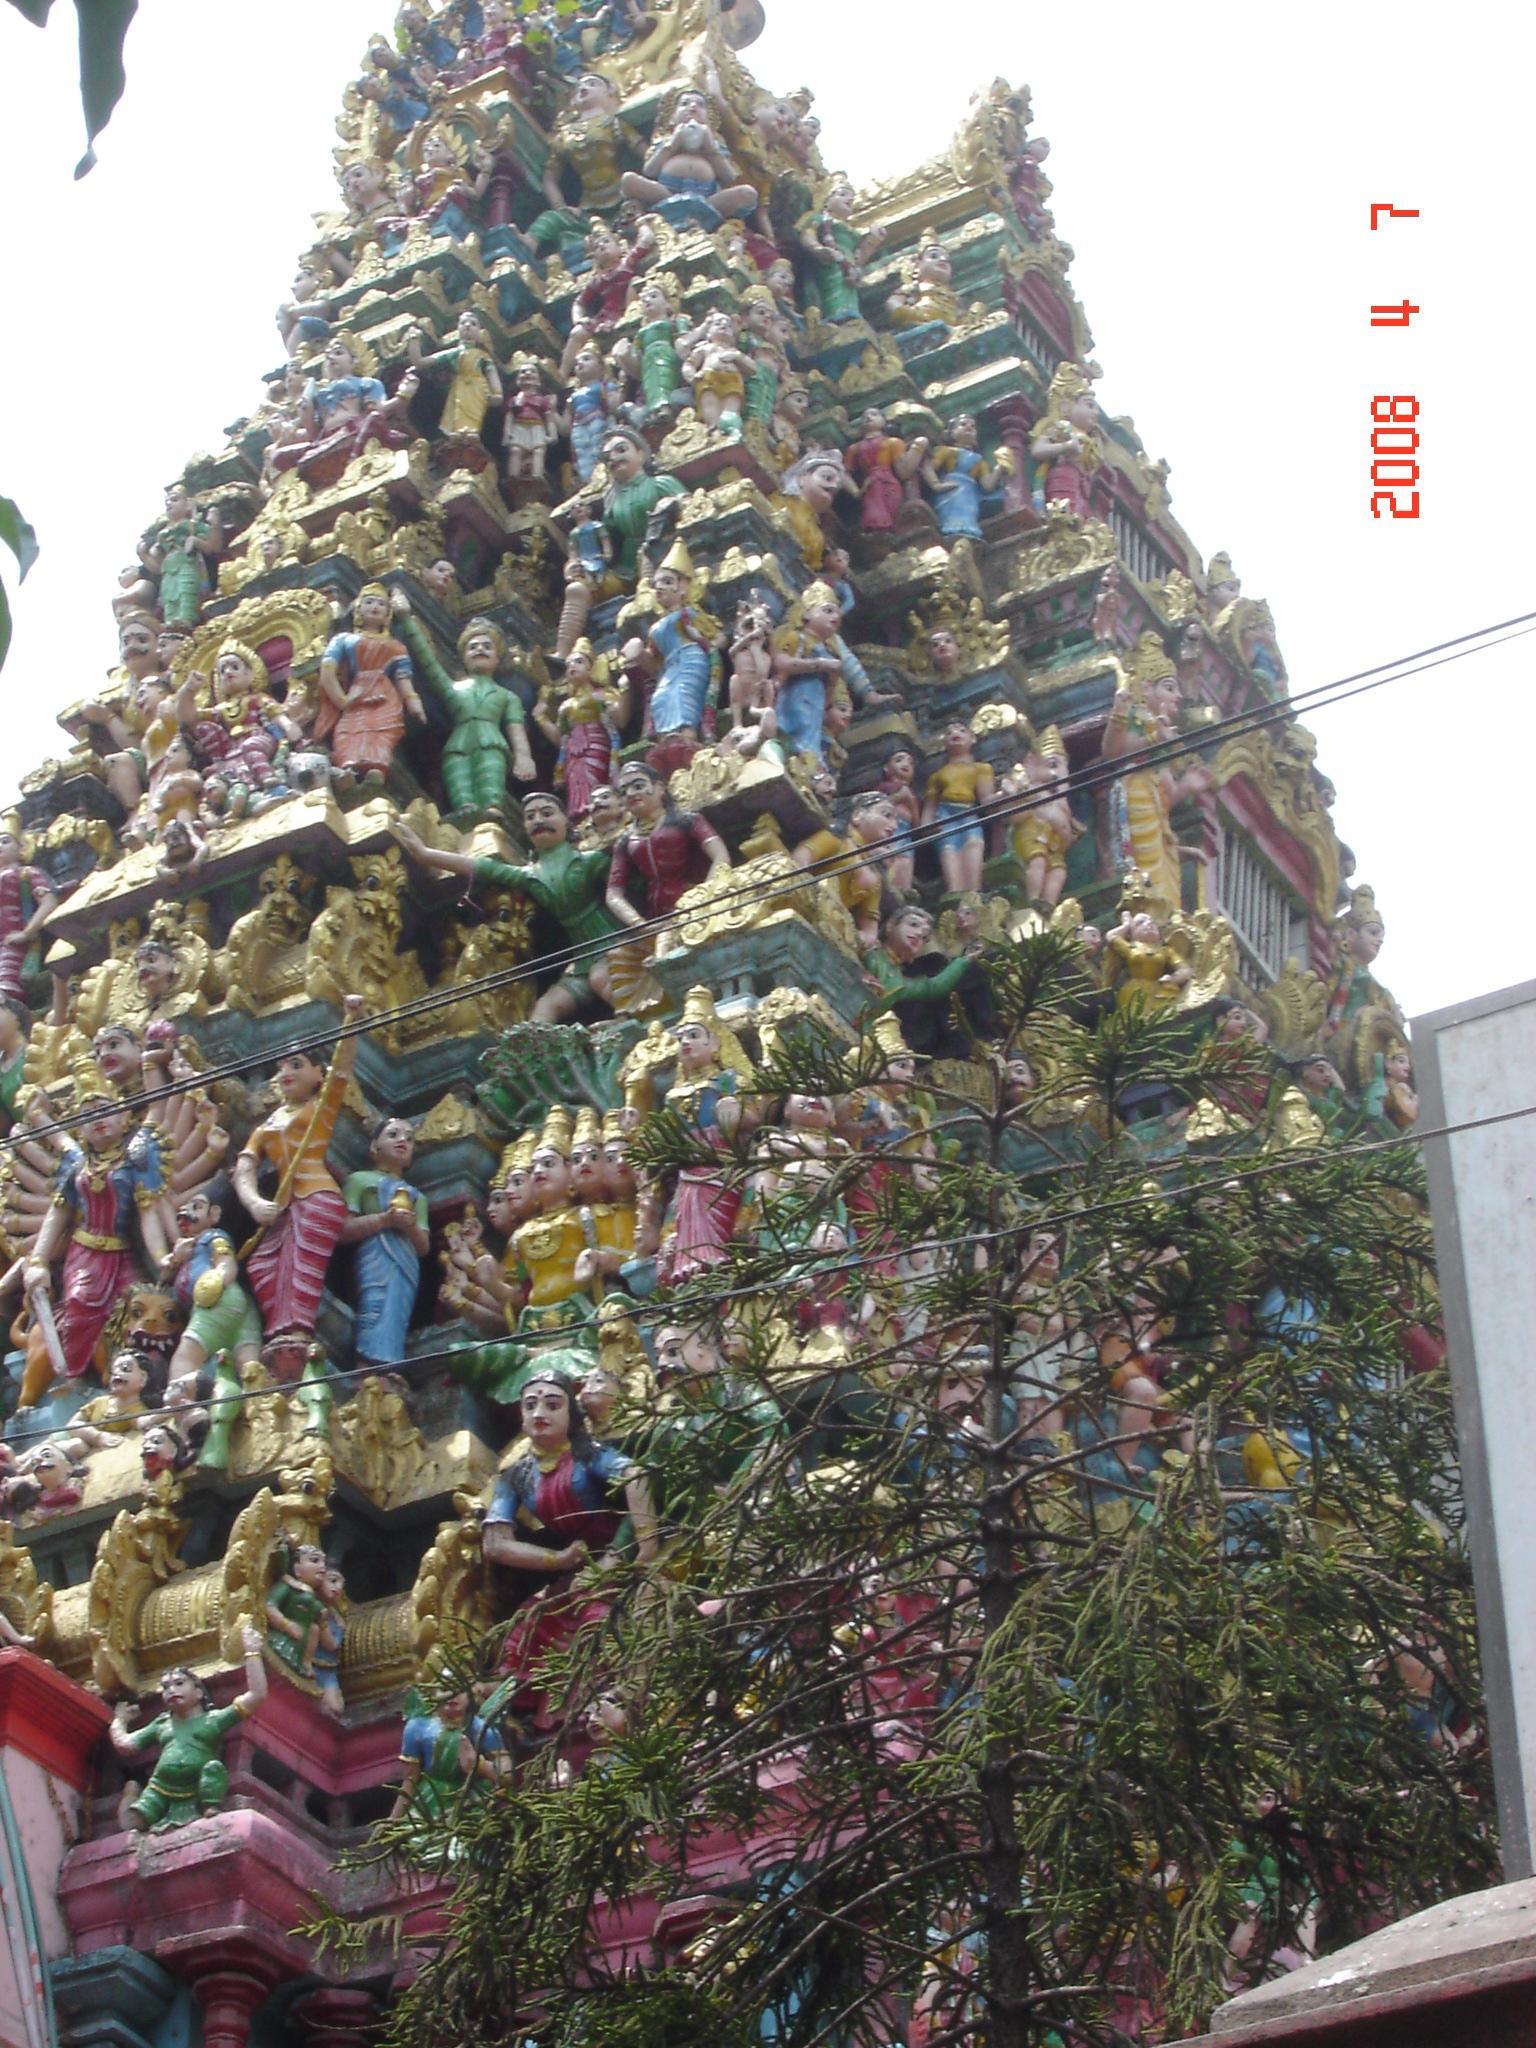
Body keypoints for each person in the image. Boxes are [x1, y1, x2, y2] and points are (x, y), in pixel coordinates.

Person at [231, 996, 367, 1376]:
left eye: (296, 1065)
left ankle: (296, 1333)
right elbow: (244, 1167)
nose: (285, 1073)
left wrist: (351, 1021)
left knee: (301, 1265)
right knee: (260, 1264)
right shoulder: (267, 1124)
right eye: (281, 1067)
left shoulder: (318, 1108)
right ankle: (281, 1332)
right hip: (283, 1205)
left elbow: (343, 1068)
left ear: (317, 1074)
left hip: (317, 1197)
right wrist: (254, 1202)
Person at [393, 798, 623, 1022]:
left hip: (612, 943)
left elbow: (625, 884)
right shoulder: (529, 875)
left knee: (600, 978)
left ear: (567, 821)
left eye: (547, 813)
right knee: (545, 1008)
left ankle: (632, 1017)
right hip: (582, 958)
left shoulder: (590, 861)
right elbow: (483, 867)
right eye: (530, 817)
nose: (538, 820)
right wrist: (425, 854)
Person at [109, 1627, 268, 1832]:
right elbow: (125, 1745)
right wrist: (120, 1720)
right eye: (165, 1687)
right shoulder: (162, 1724)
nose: (171, 1690)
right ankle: (132, 1793)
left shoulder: (213, 1720)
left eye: (179, 1683)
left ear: (199, 1692)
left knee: (214, 1770)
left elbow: (256, 1695)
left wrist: (253, 1652)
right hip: (160, 1787)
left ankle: (209, 1805)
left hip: (199, 1786)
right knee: (133, 1823)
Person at [340, 1115, 431, 1369]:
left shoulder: (417, 1197)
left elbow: (423, 1247)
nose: (402, 1141)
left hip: (405, 1262)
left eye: (409, 1139)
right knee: (374, 1304)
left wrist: (410, 1226)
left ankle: (388, 1367)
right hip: (374, 1254)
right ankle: (366, 1365)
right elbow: (343, 1230)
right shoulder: (359, 1180)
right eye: (393, 1134)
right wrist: (384, 1220)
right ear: (374, 1146)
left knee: (396, 1311)